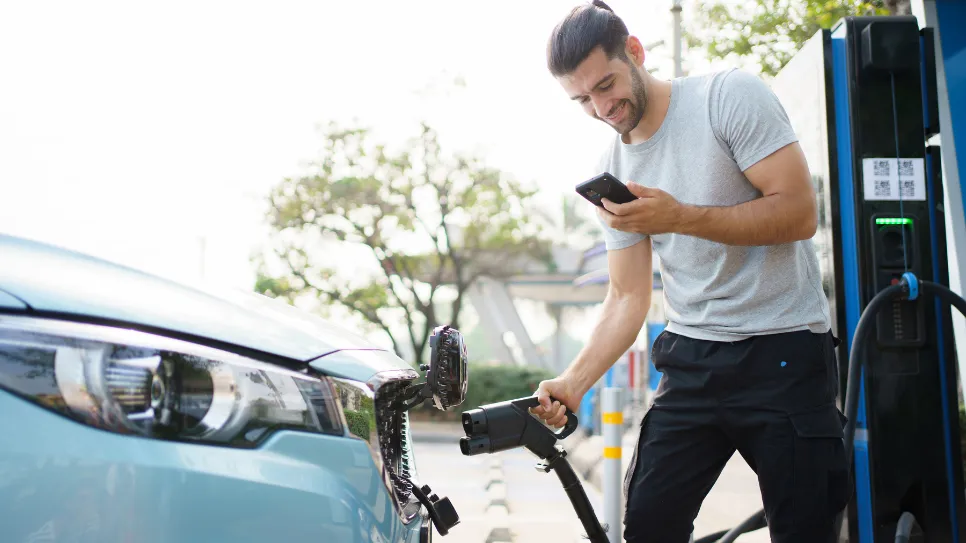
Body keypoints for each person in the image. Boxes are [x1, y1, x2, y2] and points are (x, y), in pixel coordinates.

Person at [529, 2, 851, 542]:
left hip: (784, 351)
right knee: (649, 524)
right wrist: (573, 383)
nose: (602, 107)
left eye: (606, 85)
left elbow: (798, 213)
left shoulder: (728, 96)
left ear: (634, 51)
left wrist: (679, 217)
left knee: (806, 529)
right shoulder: (612, 170)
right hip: (694, 358)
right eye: (583, 99)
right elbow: (627, 296)